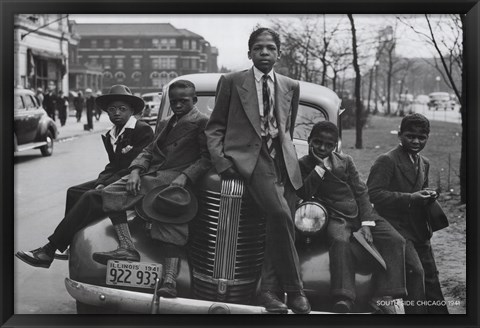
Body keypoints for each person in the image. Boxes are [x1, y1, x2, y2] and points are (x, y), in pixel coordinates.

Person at [204, 27, 310, 314]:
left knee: (280, 225)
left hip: (284, 163)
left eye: (270, 48)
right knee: (279, 214)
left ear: (278, 52)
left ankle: (268, 292)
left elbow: (286, 128)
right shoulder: (232, 81)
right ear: (249, 52)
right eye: (258, 48)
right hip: (251, 158)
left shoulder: (291, 85)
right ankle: (295, 290)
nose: (264, 52)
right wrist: (223, 162)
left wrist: (285, 155)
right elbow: (214, 127)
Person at [91, 80, 211, 296]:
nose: (178, 105)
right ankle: (127, 247)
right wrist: (135, 170)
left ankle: (170, 281)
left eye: (183, 101)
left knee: (170, 222)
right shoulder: (165, 122)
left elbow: (206, 158)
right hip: (153, 175)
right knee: (110, 192)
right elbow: (149, 150)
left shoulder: (202, 122)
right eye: (173, 101)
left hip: (176, 181)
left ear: (194, 101)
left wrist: (185, 177)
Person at [15, 84, 154, 268]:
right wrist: (102, 181)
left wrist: (104, 185)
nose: (117, 113)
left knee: (90, 197)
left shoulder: (141, 129)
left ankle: (49, 250)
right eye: (112, 109)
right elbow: (113, 164)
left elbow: (133, 166)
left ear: (132, 111)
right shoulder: (112, 133)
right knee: (73, 192)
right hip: (117, 178)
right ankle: (70, 244)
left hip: (133, 182)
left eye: (122, 109)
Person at [297, 121, 407, 313]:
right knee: (340, 241)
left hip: (360, 213)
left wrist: (366, 222)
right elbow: (304, 193)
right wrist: (319, 168)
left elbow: (361, 191)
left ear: (335, 145)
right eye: (317, 142)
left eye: (328, 145)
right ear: (309, 141)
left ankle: (385, 294)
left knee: (395, 239)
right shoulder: (304, 164)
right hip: (335, 215)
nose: (322, 148)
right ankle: (344, 297)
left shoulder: (345, 160)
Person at [367, 113, 449, 314]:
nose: (416, 141)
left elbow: (420, 188)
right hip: (394, 227)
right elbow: (374, 195)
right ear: (400, 135)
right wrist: (411, 198)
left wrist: (429, 194)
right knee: (415, 272)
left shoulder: (424, 162)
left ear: (427, 138)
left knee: (431, 275)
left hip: (418, 228)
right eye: (410, 136)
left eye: (422, 138)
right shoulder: (386, 160)